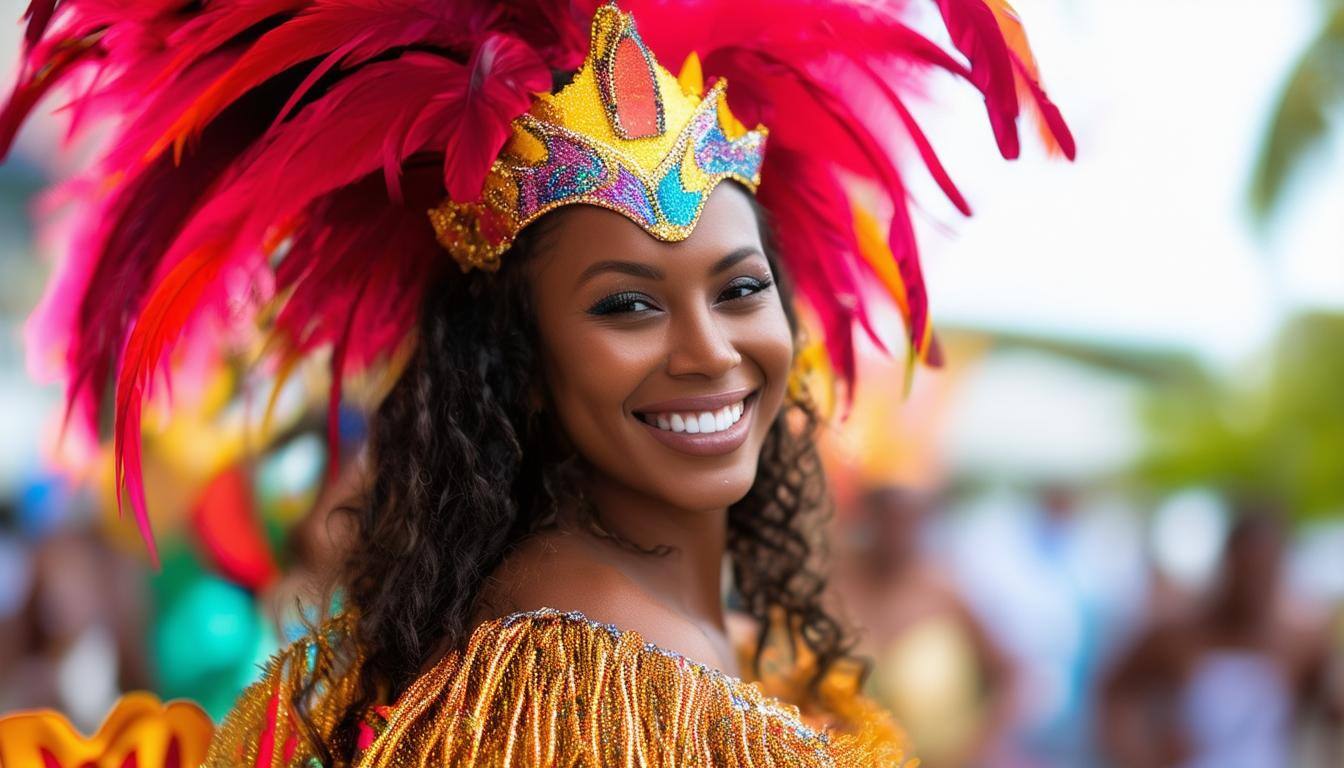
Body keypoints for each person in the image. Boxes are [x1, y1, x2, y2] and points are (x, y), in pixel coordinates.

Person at [0, 0, 1072, 765]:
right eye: (629, 305)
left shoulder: (625, 650)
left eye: (739, 289)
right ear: (513, 367)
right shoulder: (562, 709)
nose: (710, 350)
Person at [1100, 510, 1342, 768]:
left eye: (1264, 571)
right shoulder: (1179, 635)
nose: (1254, 584)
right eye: (1247, 569)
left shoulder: (1301, 642)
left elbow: (1330, 713)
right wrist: (1139, 755)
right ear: (1228, 564)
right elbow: (1115, 692)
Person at [837, 486, 1016, 768]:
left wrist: (979, 744)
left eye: (909, 518)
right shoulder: (834, 587)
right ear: (868, 517)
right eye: (888, 517)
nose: (897, 530)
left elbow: (1015, 677)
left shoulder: (945, 592)